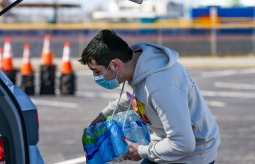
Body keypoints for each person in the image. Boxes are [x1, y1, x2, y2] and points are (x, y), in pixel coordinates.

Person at [79, 29, 220, 164]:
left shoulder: (161, 86)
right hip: (163, 147)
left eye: (97, 72)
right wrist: (103, 116)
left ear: (115, 65)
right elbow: (130, 98)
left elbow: (183, 143)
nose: (95, 77)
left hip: (191, 157)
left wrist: (140, 151)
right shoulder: (133, 66)